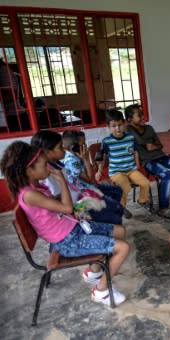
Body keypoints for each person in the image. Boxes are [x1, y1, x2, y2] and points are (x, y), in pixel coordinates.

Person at [0, 141, 130, 305]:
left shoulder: (36, 187)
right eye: (44, 165)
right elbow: (67, 207)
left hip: (73, 229)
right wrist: (61, 180)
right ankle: (101, 291)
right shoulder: (29, 194)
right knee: (123, 247)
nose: (49, 167)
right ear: (29, 170)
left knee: (120, 231)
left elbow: (59, 208)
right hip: (67, 241)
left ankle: (94, 272)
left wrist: (75, 210)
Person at [31, 130, 124, 225]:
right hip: (77, 206)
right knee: (115, 214)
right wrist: (86, 200)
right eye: (60, 147)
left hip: (80, 196)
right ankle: (108, 227)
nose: (64, 148)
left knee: (116, 204)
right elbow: (63, 202)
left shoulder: (57, 165)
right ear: (48, 152)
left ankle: (109, 221)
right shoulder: (48, 174)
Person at [126, 104, 170, 218]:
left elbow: (160, 145)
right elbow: (139, 140)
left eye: (143, 113)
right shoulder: (129, 130)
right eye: (139, 115)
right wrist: (149, 144)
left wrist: (152, 146)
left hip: (161, 156)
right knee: (166, 174)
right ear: (129, 120)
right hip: (148, 161)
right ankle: (164, 207)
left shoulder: (149, 128)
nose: (143, 117)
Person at [95, 109, 151, 213]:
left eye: (120, 125)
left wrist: (137, 166)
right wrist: (99, 171)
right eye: (114, 126)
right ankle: (121, 207)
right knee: (125, 186)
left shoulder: (130, 138)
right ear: (108, 126)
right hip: (116, 172)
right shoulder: (107, 141)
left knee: (146, 183)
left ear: (124, 123)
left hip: (131, 169)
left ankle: (142, 200)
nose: (117, 128)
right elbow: (102, 157)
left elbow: (135, 152)